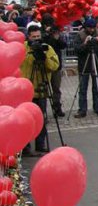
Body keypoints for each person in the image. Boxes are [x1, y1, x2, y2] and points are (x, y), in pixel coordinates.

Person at [20, 25, 60, 155]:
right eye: (34, 37)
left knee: (41, 118)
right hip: (25, 90)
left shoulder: (47, 48)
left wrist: (43, 57)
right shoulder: (22, 47)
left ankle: (41, 144)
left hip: (41, 89)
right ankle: (25, 146)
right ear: (28, 37)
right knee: (25, 119)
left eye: (38, 37)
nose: (36, 40)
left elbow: (55, 66)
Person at [73, 17, 98, 118]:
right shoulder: (80, 35)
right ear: (85, 27)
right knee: (82, 89)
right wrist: (85, 43)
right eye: (89, 28)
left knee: (97, 88)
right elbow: (77, 49)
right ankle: (82, 110)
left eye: (92, 28)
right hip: (84, 66)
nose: (91, 30)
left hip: (97, 64)